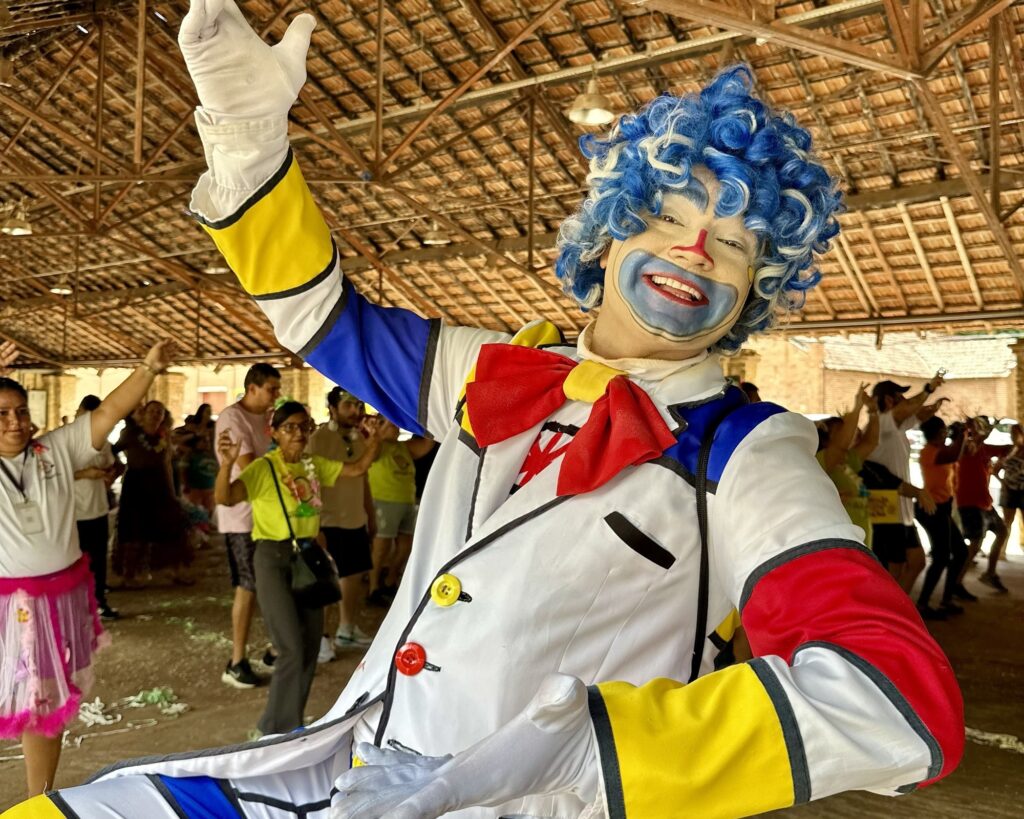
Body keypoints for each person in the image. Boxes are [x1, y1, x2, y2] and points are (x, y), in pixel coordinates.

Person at [12, 6, 963, 817]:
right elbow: (323, 318)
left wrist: (581, 753)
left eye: (735, 245)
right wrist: (249, 141)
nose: (695, 249)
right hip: (351, 766)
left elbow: (899, 700)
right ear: (608, 234)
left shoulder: (748, 452)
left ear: (756, 289)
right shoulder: (497, 368)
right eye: (670, 217)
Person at [0, 341, 176, 799]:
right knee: (18, 697)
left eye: (20, 411)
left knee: (44, 703)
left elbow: (111, 410)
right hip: (10, 604)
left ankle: (39, 799)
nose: (15, 421)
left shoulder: (55, 449)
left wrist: (148, 368)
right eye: (2, 413)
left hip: (58, 599)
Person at [215, 402, 381, 736]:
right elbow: (226, 498)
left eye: (304, 427)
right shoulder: (264, 468)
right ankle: (273, 728)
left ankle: (292, 722)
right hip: (272, 557)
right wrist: (228, 464)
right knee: (290, 645)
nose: (298, 434)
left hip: (308, 557)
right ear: (274, 433)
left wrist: (375, 439)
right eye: (289, 427)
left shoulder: (312, 465)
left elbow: (357, 468)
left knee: (309, 645)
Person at [214, 363, 281, 688]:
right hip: (241, 514)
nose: (276, 395)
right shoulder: (233, 418)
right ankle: (236, 661)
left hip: (267, 513)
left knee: (270, 582)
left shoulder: (267, 418)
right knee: (248, 584)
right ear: (252, 388)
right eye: (271, 389)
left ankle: (274, 649)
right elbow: (250, 466)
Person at [307, 387, 378, 660]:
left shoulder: (359, 437)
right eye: (348, 405)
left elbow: (364, 478)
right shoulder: (318, 439)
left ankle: (346, 629)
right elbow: (310, 484)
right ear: (332, 409)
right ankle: (321, 636)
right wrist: (314, 525)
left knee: (353, 576)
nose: (355, 411)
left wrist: (370, 513)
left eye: (358, 405)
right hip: (328, 520)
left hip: (355, 517)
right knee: (327, 581)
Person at [869, 377, 948, 595]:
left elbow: (917, 414)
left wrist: (933, 407)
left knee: (916, 562)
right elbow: (908, 409)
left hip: (901, 510)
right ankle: (889, 609)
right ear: (888, 400)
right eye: (900, 396)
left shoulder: (896, 427)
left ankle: (899, 607)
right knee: (894, 568)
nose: (904, 400)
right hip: (888, 509)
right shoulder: (882, 423)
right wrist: (928, 390)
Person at [112, 400, 193, 587]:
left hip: (159, 483)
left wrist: (172, 490)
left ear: (163, 416)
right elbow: (112, 450)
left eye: (159, 412)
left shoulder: (164, 436)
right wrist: (119, 467)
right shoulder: (131, 433)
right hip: (136, 484)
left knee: (171, 526)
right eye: (152, 411)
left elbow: (167, 463)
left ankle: (175, 571)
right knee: (134, 530)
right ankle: (129, 576)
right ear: (144, 413)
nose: (156, 415)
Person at [366, 419, 435, 606]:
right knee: (381, 548)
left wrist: (430, 421)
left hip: (407, 502)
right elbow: (370, 452)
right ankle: (373, 588)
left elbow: (427, 444)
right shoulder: (375, 446)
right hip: (383, 501)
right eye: (392, 424)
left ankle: (390, 580)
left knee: (406, 546)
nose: (397, 427)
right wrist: (380, 430)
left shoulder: (404, 447)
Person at [72, 395, 123, 621]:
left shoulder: (102, 441)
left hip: (98, 508)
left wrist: (109, 476)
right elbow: (54, 474)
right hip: (74, 512)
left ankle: (99, 602)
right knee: (75, 561)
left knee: (99, 559)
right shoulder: (65, 441)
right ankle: (75, 606)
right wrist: (85, 474)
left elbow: (113, 465)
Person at [916, 417, 969, 619]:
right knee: (941, 557)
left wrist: (958, 436)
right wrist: (962, 434)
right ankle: (923, 604)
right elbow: (954, 454)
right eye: (944, 430)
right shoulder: (929, 452)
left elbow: (957, 451)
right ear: (939, 432)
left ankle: (946, 600)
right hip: (931, 509)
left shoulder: (940, 449)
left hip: (941, 508)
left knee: (960, 552)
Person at [814, 385, 878, 547]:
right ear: (827, 437)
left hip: (859, 536)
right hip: (841, 540)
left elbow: (871, 442)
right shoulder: (822, 459)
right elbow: (840, 446)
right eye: (841, 430)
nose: (850, 433)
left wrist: (873, 411)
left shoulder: (847, 460)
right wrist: (857, 407)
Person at [956, 417, 1012, 593]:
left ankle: (990, 573)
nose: (984, 431)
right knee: (975, 545)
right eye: (980, 427)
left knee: (1002, 531)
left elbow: (1009, 449)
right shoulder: (965, 447)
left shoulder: (985, 448)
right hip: (969, 502)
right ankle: (956, 583)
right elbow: (970, 446)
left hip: (984, 502)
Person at [996, 422, 1024, 551]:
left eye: (1015, 434)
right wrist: (1003, 483)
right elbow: (996, 470)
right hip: (1009, 491)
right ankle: (1001, 550)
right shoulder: (1008, 450)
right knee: (1007, 522)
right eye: (1011, 434)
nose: (1013, 436)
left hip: (1022, 490)